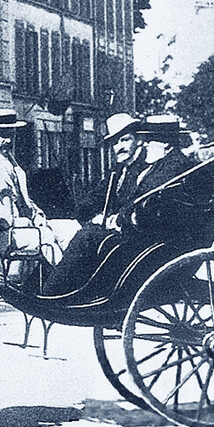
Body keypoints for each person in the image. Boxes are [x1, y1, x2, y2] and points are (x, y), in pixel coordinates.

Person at [39, 114, 195, 300]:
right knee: (75, 232)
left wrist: (115, 220)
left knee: (88, 236)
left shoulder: (171, 167)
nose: (144, 145)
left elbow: (147, 201)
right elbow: (106, 197)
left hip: (153, 241)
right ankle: (55, 287)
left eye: (148, 140)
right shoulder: (158, 165)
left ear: (165, 143)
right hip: (144, 234)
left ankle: (52, 293)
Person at [0, 108, 66, 267]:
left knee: (70, 229)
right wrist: (14, 221)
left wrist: (37, 216)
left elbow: (24, 199)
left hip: (23, 228)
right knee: (46, 240)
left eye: (12, 134)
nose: (9, 140)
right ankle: (60, 286)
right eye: (4, 135)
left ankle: (75, 280)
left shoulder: (9, 161)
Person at [74, 113, 146, 225]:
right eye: (115, 143)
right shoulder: (119, 168)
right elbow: (99, 194)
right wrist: (80, 211)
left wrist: (107, 220)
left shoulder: (146, 166)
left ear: (139, 140)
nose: (119, 147)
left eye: (125, 140)